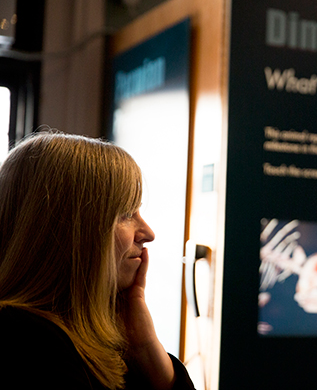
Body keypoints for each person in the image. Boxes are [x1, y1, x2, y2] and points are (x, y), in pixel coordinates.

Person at [0, 132, 196, 389]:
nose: (148, 233)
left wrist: (146, 347)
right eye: (126, 213)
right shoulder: (27, 344)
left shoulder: (96, 339)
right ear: (71, 230)